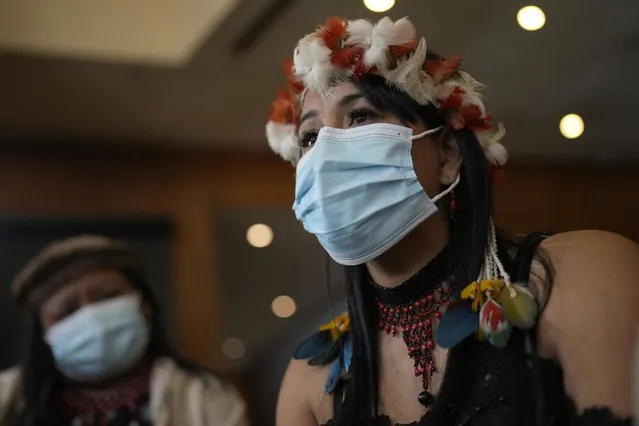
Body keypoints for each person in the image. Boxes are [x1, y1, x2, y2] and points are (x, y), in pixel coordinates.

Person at [265, 16, 639, 426]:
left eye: (359, 116)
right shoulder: (309, 382)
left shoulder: (582, 275)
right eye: (310, 137)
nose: (327, 152)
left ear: (447, 154)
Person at [0, 235, 248, 426]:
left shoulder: (206, 398)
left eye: (108, 297)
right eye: (67, 312)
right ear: (44, 334)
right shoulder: (7, 399)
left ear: (144, 305)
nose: (92, 317)